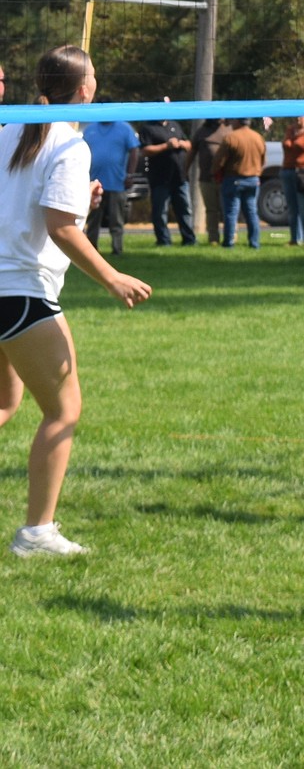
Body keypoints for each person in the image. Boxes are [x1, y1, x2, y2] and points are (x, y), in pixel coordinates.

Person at [0, 46, 152, 556]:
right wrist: (111, 277)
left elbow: (38, 211)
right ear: (85, 89)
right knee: (63, 411)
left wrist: (74, 207)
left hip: (8, 287)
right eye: (95, 78)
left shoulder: (12, 129)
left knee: (5, 402)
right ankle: (36, 533)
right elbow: (58, 228)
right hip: (22, 293)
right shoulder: (69, 144)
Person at [82, 114, 140, 257]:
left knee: (117, 219)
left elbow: (134, 150)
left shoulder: (124, 128)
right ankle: (91, 251)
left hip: (117, 182)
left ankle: (117, 249)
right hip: (93, 184)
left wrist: (130, 174)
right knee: (93, 220)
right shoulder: (90, 129)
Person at [137, 115, 196, 247]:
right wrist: (166, 146)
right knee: (160, 211)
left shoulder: (174, 125)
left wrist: (182, 144)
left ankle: (189, 239)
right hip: (160, 178)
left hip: (180, 177)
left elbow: (189, 144)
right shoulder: (148, 128)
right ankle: (163, 241)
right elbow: (145, 150)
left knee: (185, 210)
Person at [213, 119, 268, 250]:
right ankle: (254, 243)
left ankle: (229, 242)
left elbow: (219, 161)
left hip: (233, 179)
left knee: (232, 212)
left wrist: (214, 172)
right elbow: (263, 160)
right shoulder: (258, 137)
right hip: (253, 179)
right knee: (252, 212)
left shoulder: (231, 138)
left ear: (237, 122)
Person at [280, 115, 304, 248]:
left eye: (300, 116)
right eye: (295, 116)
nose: (297, 118)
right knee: (292, 207)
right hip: (288, 170)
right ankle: (295, 238)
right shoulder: (290, 129)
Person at [190, 117, 228, 243]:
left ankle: (230, 237)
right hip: (206, 178)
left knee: (228, 209)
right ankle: (213, 238)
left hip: (226, 178)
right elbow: (192, 152)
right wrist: (185, 170)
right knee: (211, 210)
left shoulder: (230, 130)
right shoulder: (201, 132)